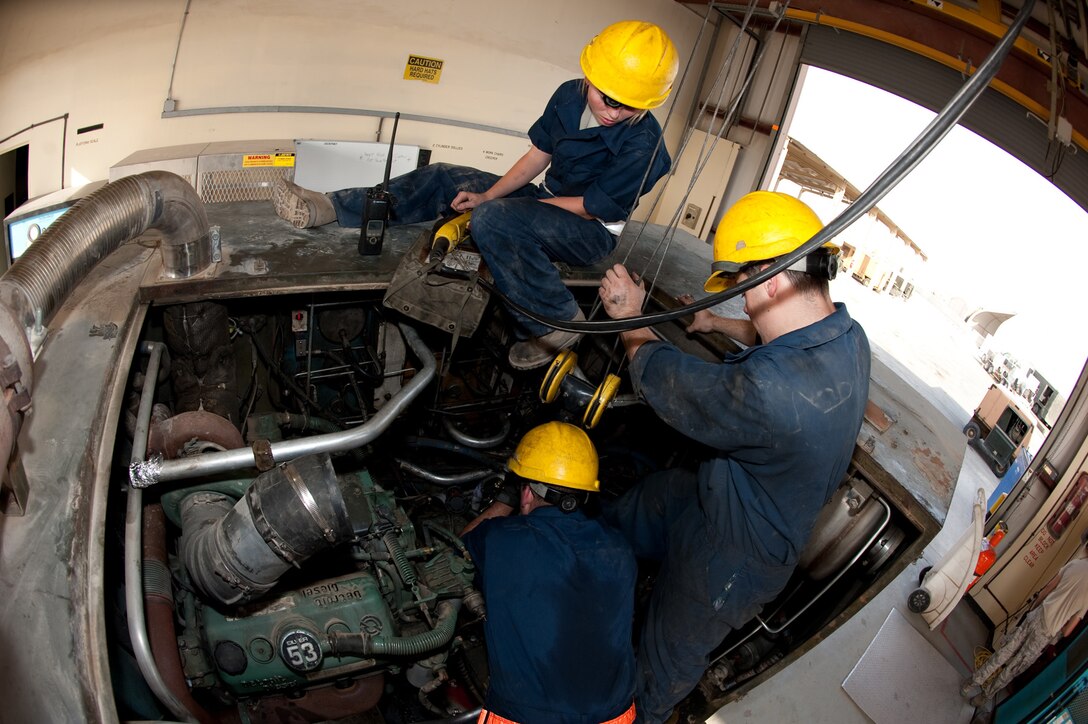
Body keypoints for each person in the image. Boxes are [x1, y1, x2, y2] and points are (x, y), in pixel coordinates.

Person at [596, 191, 871, 723]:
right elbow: (779, 338)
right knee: (643, 506)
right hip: (715, 500)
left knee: (663, 661)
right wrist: (717, 326)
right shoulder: (848, 337)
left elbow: (666, 382)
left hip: (731, 562)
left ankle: (638, 714)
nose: (742, 302)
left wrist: (631, 317)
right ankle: (594, 560)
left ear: (769, 279)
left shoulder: (768, 393)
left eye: (744, 289)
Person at [272, 20, 678, 370]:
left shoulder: (645, 145)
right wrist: (487, 195)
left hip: (589, 231)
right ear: (591, 77)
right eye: (608, 98)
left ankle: (553, 323)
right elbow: (538, 155)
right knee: (450, 178)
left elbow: (592, 208)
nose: (614, 112)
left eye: (630, 107)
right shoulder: (569, 95)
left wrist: (500, 206)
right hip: (547, 199)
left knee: (494, 219)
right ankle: (332, 206)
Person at [460, 421, 639, 724]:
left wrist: (506, 498)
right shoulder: (620, 548)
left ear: (527, 493)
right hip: (615, 715)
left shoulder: (503, 541)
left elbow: (463, 542)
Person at [960, 540, 1088, 712]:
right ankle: (982, 698)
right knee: (1014, 668)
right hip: (1047, 634)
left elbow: (1047, 589)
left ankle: (972, 682)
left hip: (1037, 615)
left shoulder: (1074, 565)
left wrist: (1033, 610)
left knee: (1005, 652)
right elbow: (1067, 632)